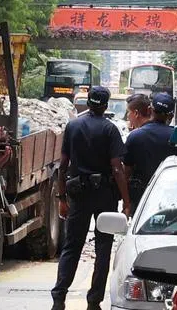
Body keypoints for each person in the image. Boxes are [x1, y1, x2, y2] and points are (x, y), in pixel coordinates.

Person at [52, 86, 131, 310]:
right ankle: (94, 302)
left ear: (87, 102)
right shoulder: (110, 130)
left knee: (71, 247)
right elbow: (117, 169)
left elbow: (63, 165)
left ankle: (59, 298)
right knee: (103, 249)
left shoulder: (73, 126)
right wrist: (126, 201)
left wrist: (61, 198)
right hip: (105, 196)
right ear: (105, 105)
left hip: (78, 195)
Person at [123, 93, 176, 207]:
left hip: (141, 200)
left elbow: (126, 172)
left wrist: (126, 203)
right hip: (170, 198)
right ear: (171, 116)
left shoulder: (135, 136)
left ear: (150, 110)